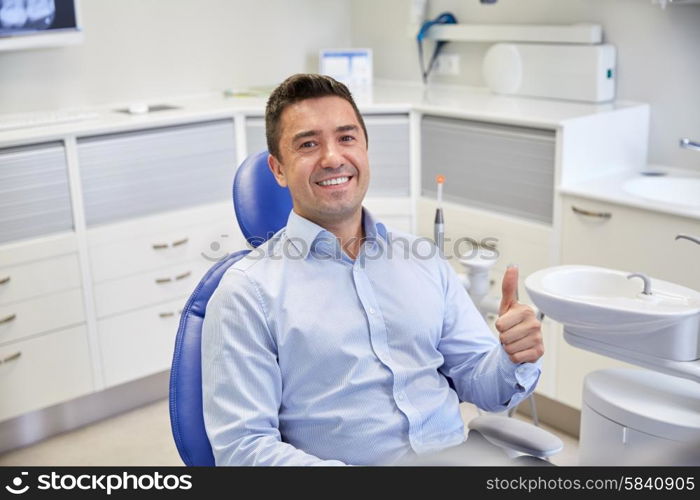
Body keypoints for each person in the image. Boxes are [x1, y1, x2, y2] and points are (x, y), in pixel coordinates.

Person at [201, 73, 544, 466]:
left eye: (346, 138)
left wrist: (513, 358)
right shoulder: (247, 293)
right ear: (278, 170)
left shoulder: (422, 258)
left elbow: (478, 379)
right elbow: (243, 449)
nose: (332, 157)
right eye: (308, 144)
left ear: (365, 150)